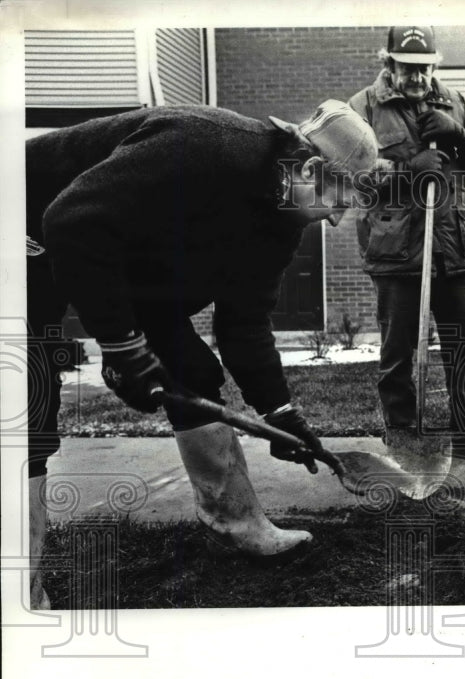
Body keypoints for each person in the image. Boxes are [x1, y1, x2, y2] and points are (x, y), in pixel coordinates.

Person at [25, 99, 378, 608]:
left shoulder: (280, 223)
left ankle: (231, 521)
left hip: (123, 260)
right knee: (27, 401)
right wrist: (122, 343)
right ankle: (22, 595)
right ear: (309, 169)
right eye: (339, 202)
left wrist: (281, 412)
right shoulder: (203, 145)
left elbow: (245, 325)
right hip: (26, 224)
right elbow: (72, 221)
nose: (339, 221)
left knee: (190, 372)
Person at [348, 25, 465, 460]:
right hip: (395, 251)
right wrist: (408, 172)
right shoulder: (363, 108)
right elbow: (350, 180)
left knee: (463, 351)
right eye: (407, 68)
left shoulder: (455, 102)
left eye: (424, 68)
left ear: (434, 65)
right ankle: (405, 443)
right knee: (397, 355)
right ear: (388, 63)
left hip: (451, 248)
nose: (418, 77)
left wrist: (461, 136)